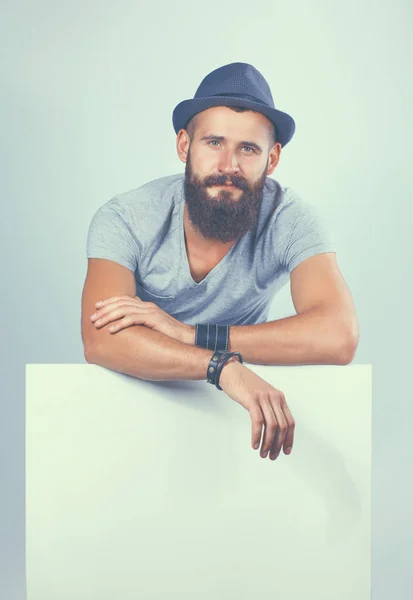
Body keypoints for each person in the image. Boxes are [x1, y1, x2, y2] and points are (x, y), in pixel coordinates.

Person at [81, 62, 359, 462]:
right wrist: (222, 367)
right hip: (131, 403)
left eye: (248, 148)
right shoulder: (126, 217)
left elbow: (338, 333)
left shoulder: (292, 219)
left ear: (273, 158)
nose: (229, 165)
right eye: (214, 142)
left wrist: (189, 333)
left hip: (237, 419)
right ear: (184, 146)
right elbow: (100, 339)